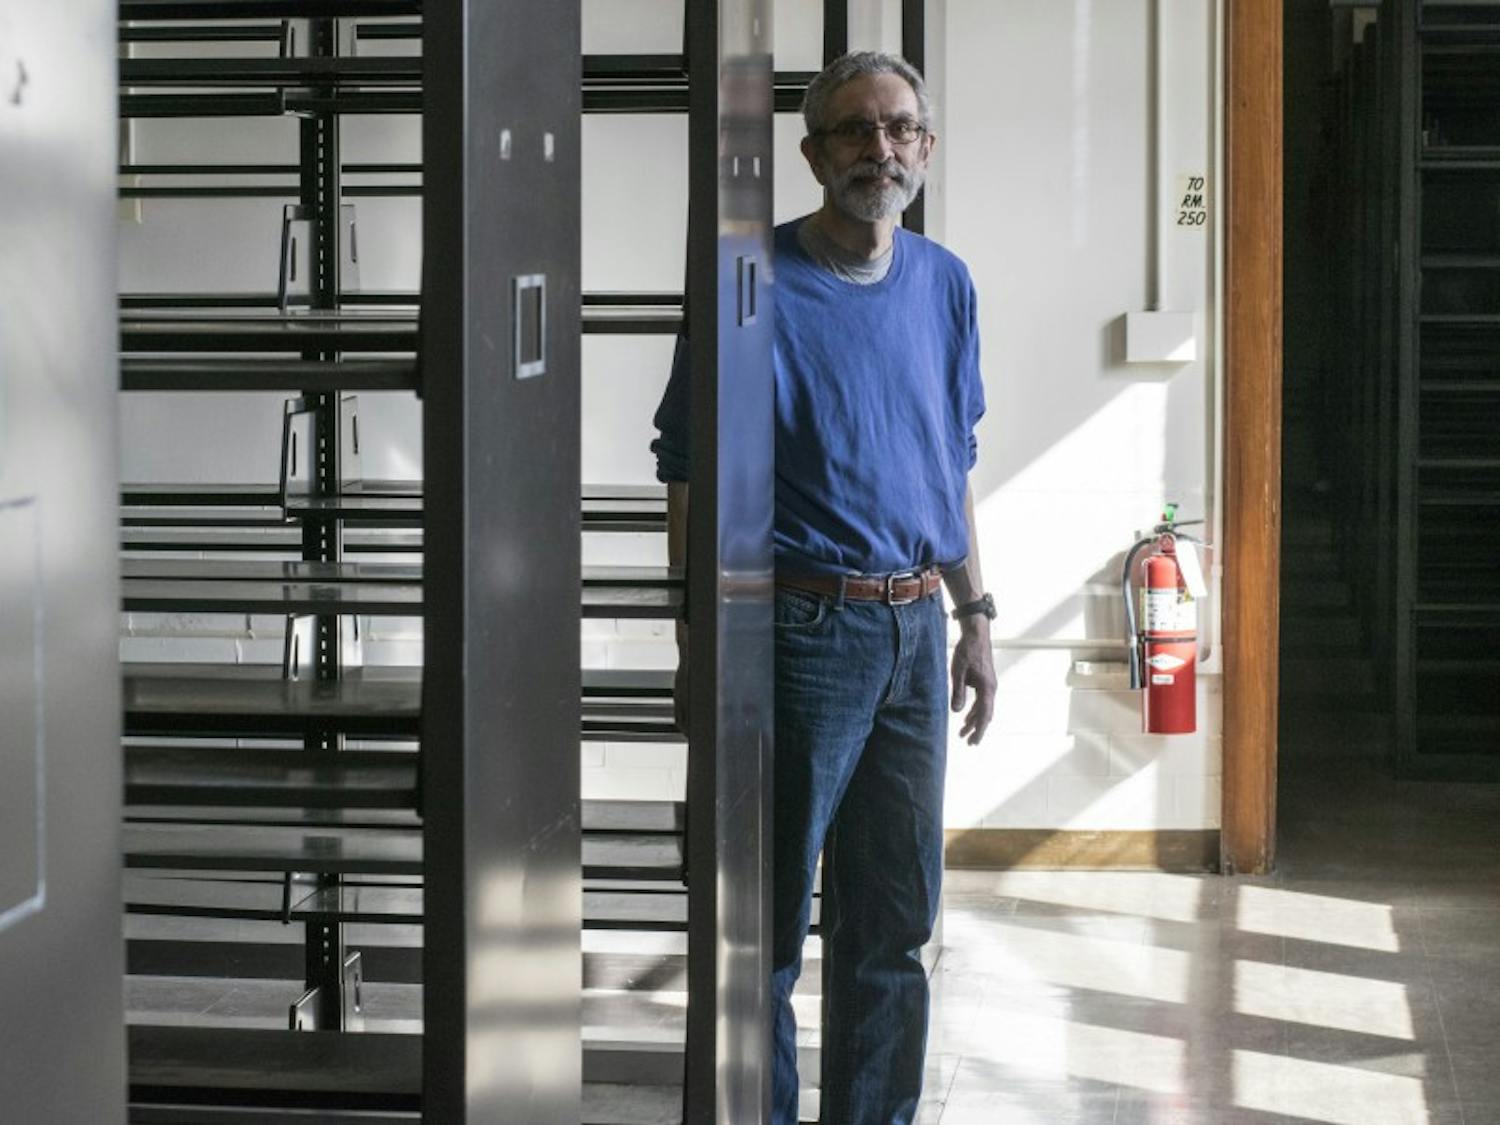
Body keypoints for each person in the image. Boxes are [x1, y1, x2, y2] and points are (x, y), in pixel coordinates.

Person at [651, 50, 996, 1125]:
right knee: (763, 931)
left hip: (911, 627)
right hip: (798, 632)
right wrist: (695, 642)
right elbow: (689, 467)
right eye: (853, 131)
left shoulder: (945, 282)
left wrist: (976, 613)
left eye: (899, 130)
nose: (878, 151)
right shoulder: (749, 277)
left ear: (926, 151)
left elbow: (952, 461)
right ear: (811, 154)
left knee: (892, 923)